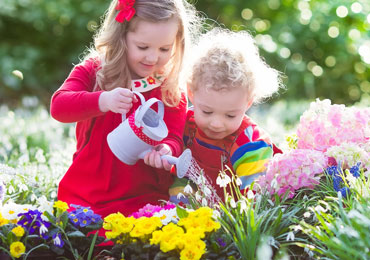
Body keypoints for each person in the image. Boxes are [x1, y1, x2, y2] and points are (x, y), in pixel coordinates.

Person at [50, 0, 200, 218]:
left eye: (164, 49)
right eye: (143, 47)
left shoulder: (168, 86)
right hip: (89, 191)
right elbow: (59, 106)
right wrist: (103, 101)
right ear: (121, 37)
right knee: (86, 235)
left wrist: (167, 149)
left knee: (151, 238)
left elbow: (176, 136)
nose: (152, 57)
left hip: (144, 195)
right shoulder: (95, 71)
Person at [169, 28, 284, 202]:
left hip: (237, 218)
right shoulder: (186, 125)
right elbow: (183, 176)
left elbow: (257, 196)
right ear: (191, 93)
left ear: (248, 102)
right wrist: (180, 208)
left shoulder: (250, 142)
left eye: (230, 115)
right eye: (207, 112)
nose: (216, 124)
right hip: (200, 215)